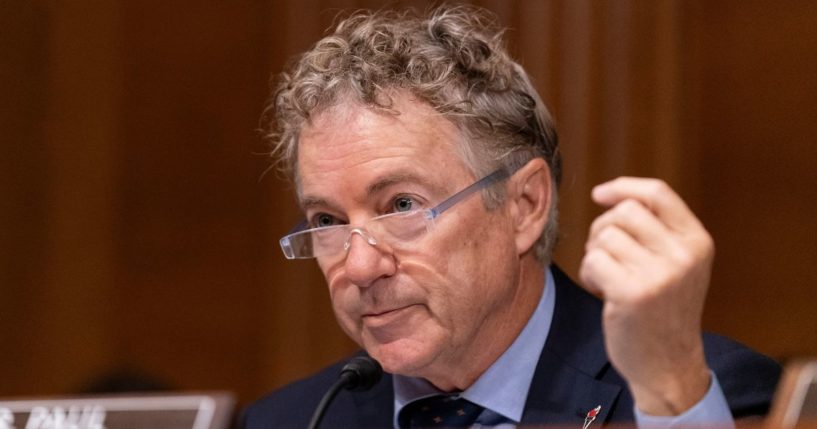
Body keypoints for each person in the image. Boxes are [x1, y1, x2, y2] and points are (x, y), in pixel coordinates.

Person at [244, 5, 780, 428]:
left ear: (525, 206)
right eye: (328, 221)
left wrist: (670, 393)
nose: (360, 267)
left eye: (402, 205)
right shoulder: (290, 420)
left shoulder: (707, 395)